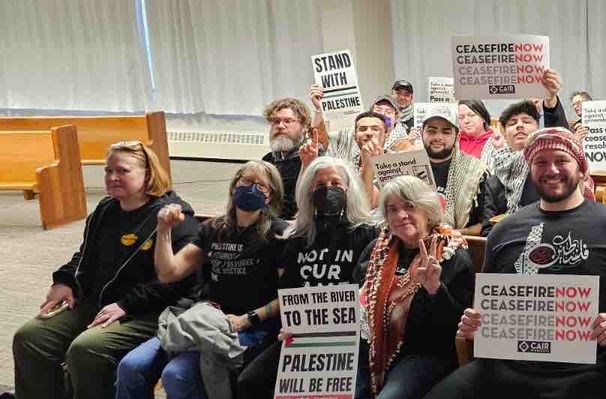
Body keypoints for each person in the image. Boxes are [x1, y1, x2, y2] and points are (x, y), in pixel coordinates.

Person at [425, 128, 606, 399]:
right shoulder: (503, 230)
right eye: (541, 162)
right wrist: (477, 324)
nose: (552, 170)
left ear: (581, 168)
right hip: (503, 365)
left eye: (561, 160)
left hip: (585, 369)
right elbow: (487, 302)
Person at [13, 141, 200, 399]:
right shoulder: (106, 209)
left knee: (86, 348)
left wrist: (126, 304)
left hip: (147, 312)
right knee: (30, 337)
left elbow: (178, 282)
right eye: (108, 170)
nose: (113, 177)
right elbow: (85, 254)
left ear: (148, 174)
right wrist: (65, 280)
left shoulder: (175, 217)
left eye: (123, 171)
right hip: (99, 302)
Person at [115, 160, 288, 399]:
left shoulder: (279, 234)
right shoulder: (214, 229)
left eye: (261, 186)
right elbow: (169, 273)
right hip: (203, 318)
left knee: (176, 374)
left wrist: (247, 319)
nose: (251, 188)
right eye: (246, 181)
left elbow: (287, 295)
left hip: (248, 326)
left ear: (270, 197)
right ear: (234, 186)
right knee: (131, 367)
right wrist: (163, 230)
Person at [236, 155, 379, 397]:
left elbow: (369, 293)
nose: (328, 190)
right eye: (320, 186)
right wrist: (288, 326)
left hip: (349, 337)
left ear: (348, 188)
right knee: (249, 381)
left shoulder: (366, 234)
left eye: (335, 183)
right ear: (309, 192)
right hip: (301, 333)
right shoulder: (297, 238)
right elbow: (289, 291)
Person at [353, 176, 475, 398]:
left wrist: (434, 289)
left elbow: (454, 327)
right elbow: (353, 302)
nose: (401, 215)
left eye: (409, 206)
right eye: (392, 209)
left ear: (427, 209)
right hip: (369, 345)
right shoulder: (377, 249)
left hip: (423, 352)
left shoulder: (451, 253)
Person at [365, 112, 498, 236]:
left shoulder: (475, 171)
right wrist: (368, 165)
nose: (438, 137)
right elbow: (369, 205)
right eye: (431, 131)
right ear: (422, 133)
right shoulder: (401, 164)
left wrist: (450, 234)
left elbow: (483, 224)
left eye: (446, 132)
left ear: (457, 136)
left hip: (454, 247)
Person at [487, 81, 580, 215]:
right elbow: (488, 228)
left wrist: (550, 100)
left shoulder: (547, 170)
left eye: (526, 121)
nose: (519, 126)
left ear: (537, 128)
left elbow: (559, 137)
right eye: (513, 123)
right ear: (504, 132)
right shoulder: (493, 180)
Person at [262, 97, 312, 219]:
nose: (280, 126)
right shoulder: (268, 160)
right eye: (276, 121)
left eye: (288, 121)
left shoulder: (313, 158)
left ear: (304, 126)